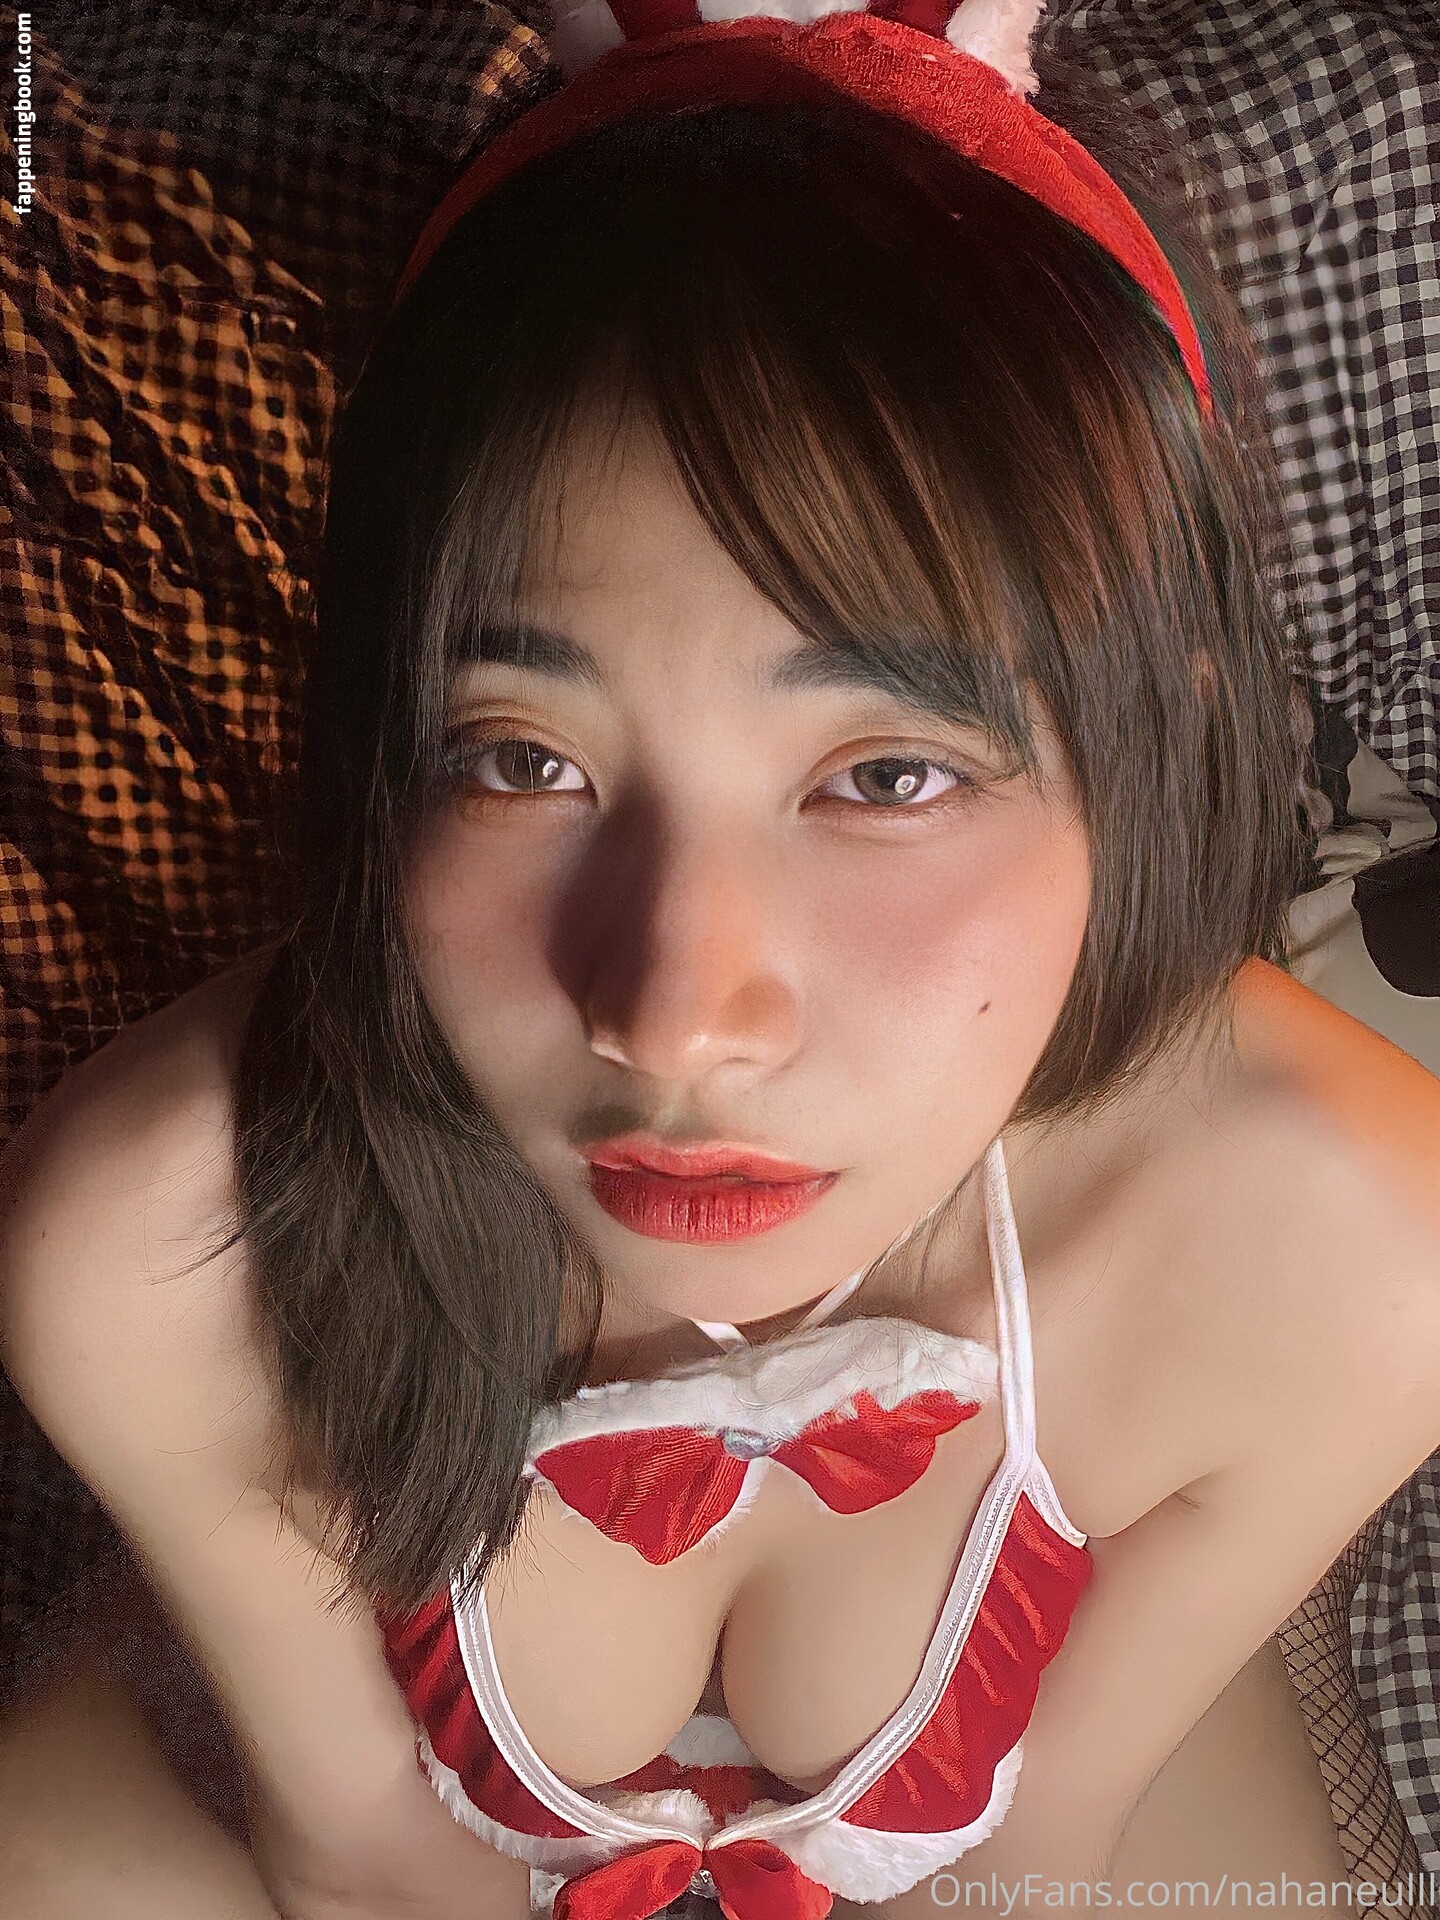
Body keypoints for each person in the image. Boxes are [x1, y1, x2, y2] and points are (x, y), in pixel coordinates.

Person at [2, 2, 1439, 1915]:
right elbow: (362, 1858)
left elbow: (1040, 1852)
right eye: (523, 759)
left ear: (1151, 742)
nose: (674, 1019)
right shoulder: (158, 1254)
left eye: (887, 775)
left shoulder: (1349, 1243)